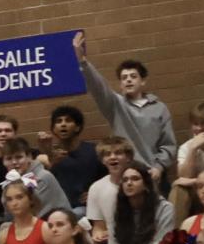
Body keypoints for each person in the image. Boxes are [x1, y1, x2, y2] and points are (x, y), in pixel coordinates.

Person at [72, 33, 176, 180]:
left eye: (133, 77)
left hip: (154, 173)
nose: (128, 80)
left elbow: (168, 144)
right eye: (124, 78)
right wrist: (83, 62)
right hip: (124, 174)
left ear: (143, 81)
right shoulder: (115, 105)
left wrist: (159, 168)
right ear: (120, 84)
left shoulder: (159, 108)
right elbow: (98, 88)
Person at [35, 105, 101, 209]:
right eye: (58, 121)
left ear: (77, 127)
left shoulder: (94, 151)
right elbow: (32, 184)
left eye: (68, 120)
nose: (63, 124)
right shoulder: (46, 155)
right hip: (58, 209)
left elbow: (109, 179)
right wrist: (49, 158)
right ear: (53, 129)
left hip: (89, 208)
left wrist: (97, 193)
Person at [82, 137, 135, 244]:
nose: (112, 157)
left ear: (128, 157)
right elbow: (98, 226)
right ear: (102, 160)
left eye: (118, 153)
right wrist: (98, 235)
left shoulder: (139, 182)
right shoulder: (96, 188)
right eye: (107, 154)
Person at [1, 139, 71, 220]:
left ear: (29, 157)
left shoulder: (41, 176)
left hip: (57, 225)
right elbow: (9, 213)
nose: (14, 162)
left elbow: (29, 210)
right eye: (9, 159)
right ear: (3, 161)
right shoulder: (12, 180)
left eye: (19, 157)